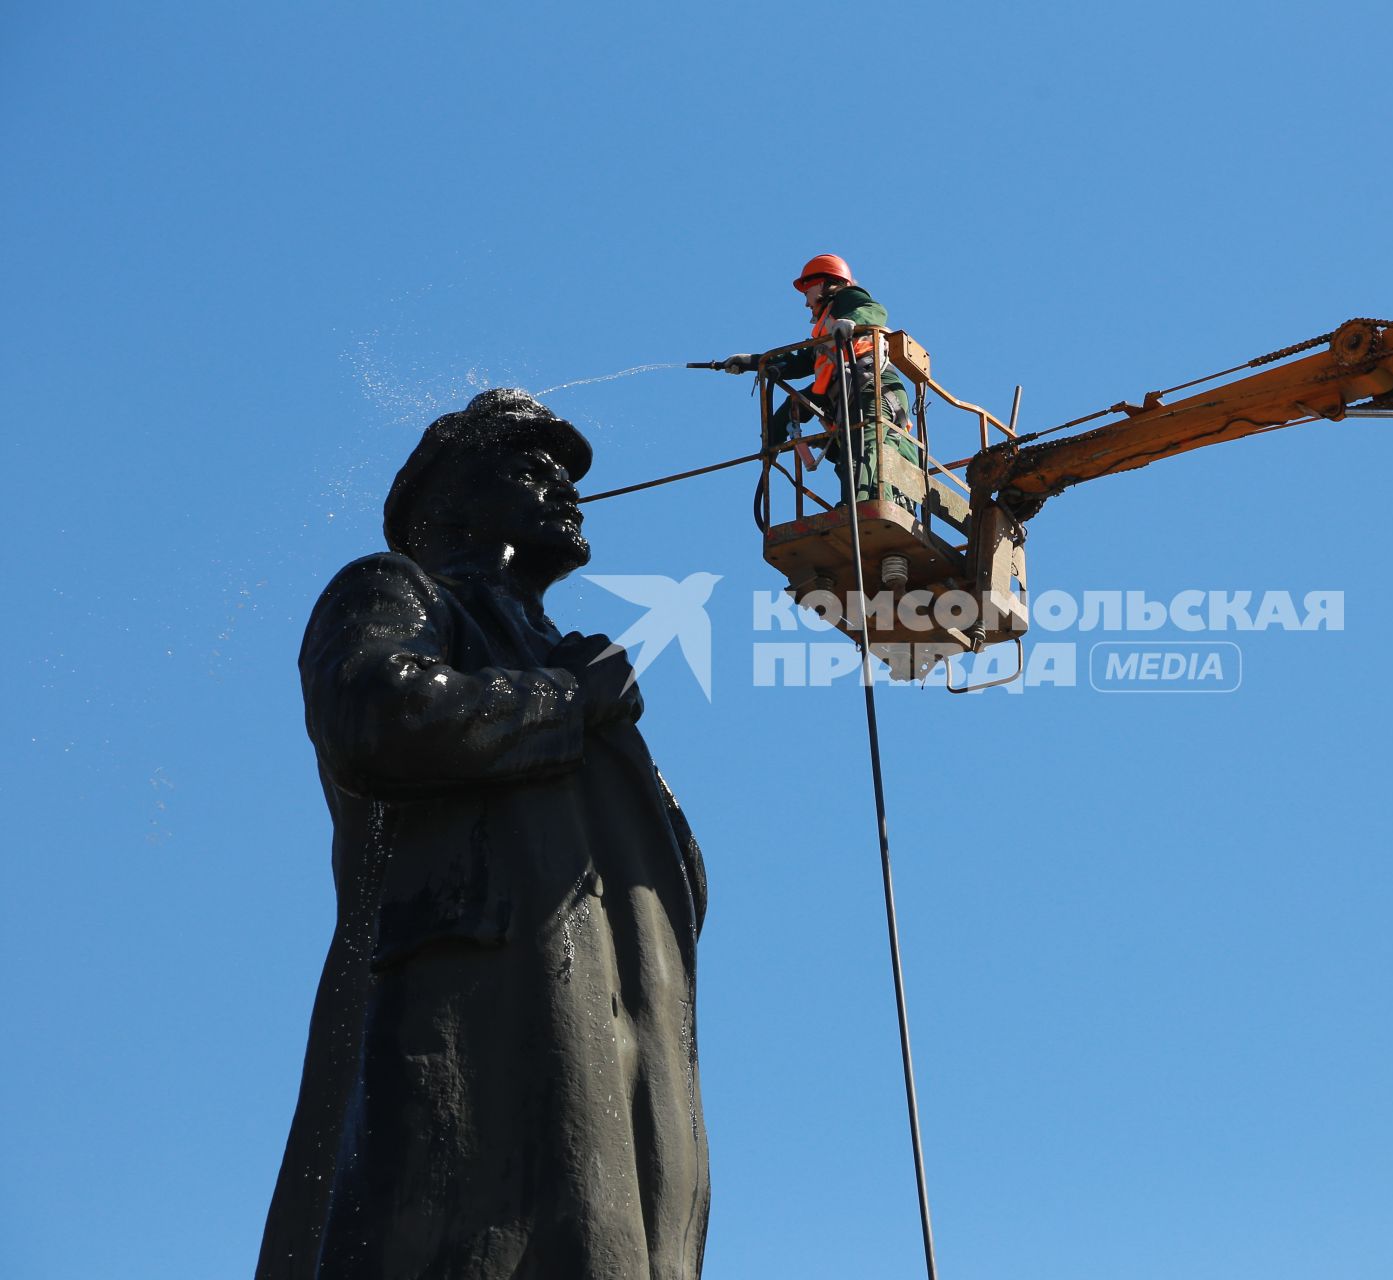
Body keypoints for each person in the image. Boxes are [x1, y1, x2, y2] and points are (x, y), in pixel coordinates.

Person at [256, 389, 710, 1280]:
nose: (566, 492)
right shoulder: (397, 589)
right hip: (478, 1028)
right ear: (450, 497)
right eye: (530, 471)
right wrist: (569, 701)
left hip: (626, 1073)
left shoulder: (575, 666)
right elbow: (381, 711)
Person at [722, 253, 921, 506]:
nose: (805, 302)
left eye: (806, 291)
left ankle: (860, 507)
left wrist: (852, 321)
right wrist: (753, 362)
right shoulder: (825, 336)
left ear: (825, 283)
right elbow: (795, 363)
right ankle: (859, 505)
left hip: (873, 387)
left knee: (867, 445)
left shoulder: (845, 300)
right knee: (831, 436)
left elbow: (875, 310)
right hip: (846, 391)